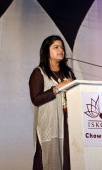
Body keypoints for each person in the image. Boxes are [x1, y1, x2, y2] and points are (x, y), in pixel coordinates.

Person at [29, 35, 76, 170]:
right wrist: (56, 88)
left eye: (62, 47)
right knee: (47, 161)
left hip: (68, 123)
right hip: (49, 124)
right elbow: (36, 99)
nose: (60, 50)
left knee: (67, 159)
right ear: (46, 51)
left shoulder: (68, 72)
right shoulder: (39, 73)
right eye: (56, 47)